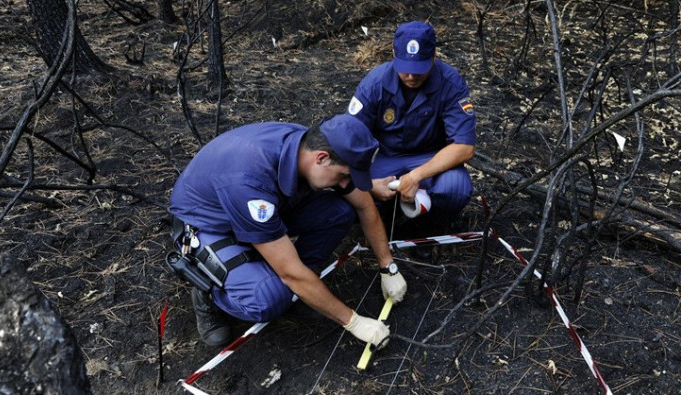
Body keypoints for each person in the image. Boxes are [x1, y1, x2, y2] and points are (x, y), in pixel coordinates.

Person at [167, 114, 407, 348]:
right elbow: (290, 272)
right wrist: (353, 322)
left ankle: (300, 287)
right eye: (344, 176)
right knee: (267, 298)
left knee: (340, 212)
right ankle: (209, 292)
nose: (346, 184)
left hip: (262, 210)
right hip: (211, 225)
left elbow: (363, 205)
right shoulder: (249, 181)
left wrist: (388, 266)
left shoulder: (310, 146)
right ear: (321, 158)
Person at [346, 21, 477, 240]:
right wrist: (367, 184)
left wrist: (416, 176)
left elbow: (464, 147)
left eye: (419, 69)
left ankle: (430, 228)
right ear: (394, 54)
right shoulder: (374, 83)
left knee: (455, 188)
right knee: (353, 187)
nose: (411, 76)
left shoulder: (451, 83)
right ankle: (381, 220)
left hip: (430, 157)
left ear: (434, 56)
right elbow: (348, 137)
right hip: (384, 156)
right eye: (405, 68)